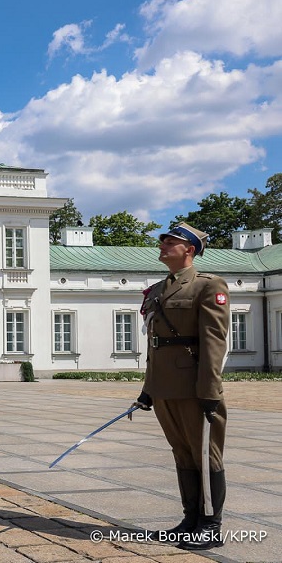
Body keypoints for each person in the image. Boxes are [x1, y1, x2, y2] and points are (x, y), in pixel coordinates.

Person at [135, 222, 230, 550]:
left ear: (189, 249)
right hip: (165, 389)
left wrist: (209, 391)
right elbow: (155, 345)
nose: (162, 246)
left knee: (206, 456)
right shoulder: (159, 289)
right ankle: (190, 520)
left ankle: (211, 526)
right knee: (182, 454)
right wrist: (149, 389)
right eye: (163, 241)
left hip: (194, 389)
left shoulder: (207, 286)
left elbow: (214, 342)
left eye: (170, 242)